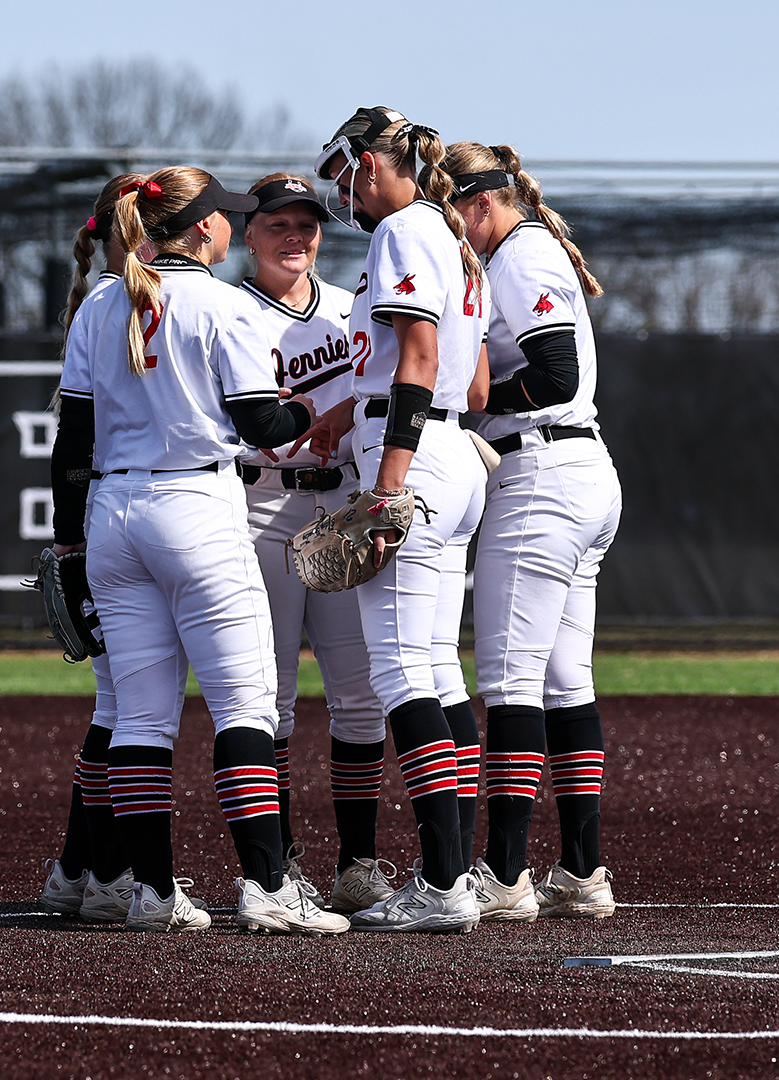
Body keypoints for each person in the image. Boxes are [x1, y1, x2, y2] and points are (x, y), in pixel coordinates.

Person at [49, 166, 348, 935]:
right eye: (227, 218)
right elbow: (258, 423)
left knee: (141, 721)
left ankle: (151, 892)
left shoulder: (101, 304)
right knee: (244, 705)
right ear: (207, 229)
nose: (230, 227)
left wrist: (71, 542)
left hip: (114, 513)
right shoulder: (220, 303)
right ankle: (269, 887)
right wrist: (309, 409)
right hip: (196, 509)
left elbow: (71, 443)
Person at [300, 107, 491, 932]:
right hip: (448, 451)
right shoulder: (448, 233)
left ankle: (445, 884)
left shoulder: (404, 230)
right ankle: (456, 872)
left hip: (414, 458)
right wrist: (351, 405)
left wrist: (389, 480)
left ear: (370, 163)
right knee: (439, 671)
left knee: (402, 673)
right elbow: (473, 385)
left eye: (342, 171)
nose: (339, 191)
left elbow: (417, 358)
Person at [444, 142, 622, 920]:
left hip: (543, 474)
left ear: (482, 203)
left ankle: (506, 873)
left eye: (454, 213)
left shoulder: (517, 256)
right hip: (579, 471)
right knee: (564, 679)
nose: (451, 232)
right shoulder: (529, 249)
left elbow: (554, 375)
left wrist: (471, 401)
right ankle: (581, 872)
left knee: (512, 683)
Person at [232, 173, 394, 914]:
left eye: (307, 224)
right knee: (270, 698)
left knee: (360, 698)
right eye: (277, 225)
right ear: (247, 234)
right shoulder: (230, 313)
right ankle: (283, 866)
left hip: (340, 502)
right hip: (260, 505)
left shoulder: (347, 309)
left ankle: (358, 866)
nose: (294, 236)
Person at [40, 173, 149, 924]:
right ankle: (98, 869)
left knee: (119, 703)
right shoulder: (115, 303)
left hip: (110, 518)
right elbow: (72, 443)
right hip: (124, 514)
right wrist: (70, 539)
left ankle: (77, 867)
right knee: (128, 705)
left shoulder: (113, 302)